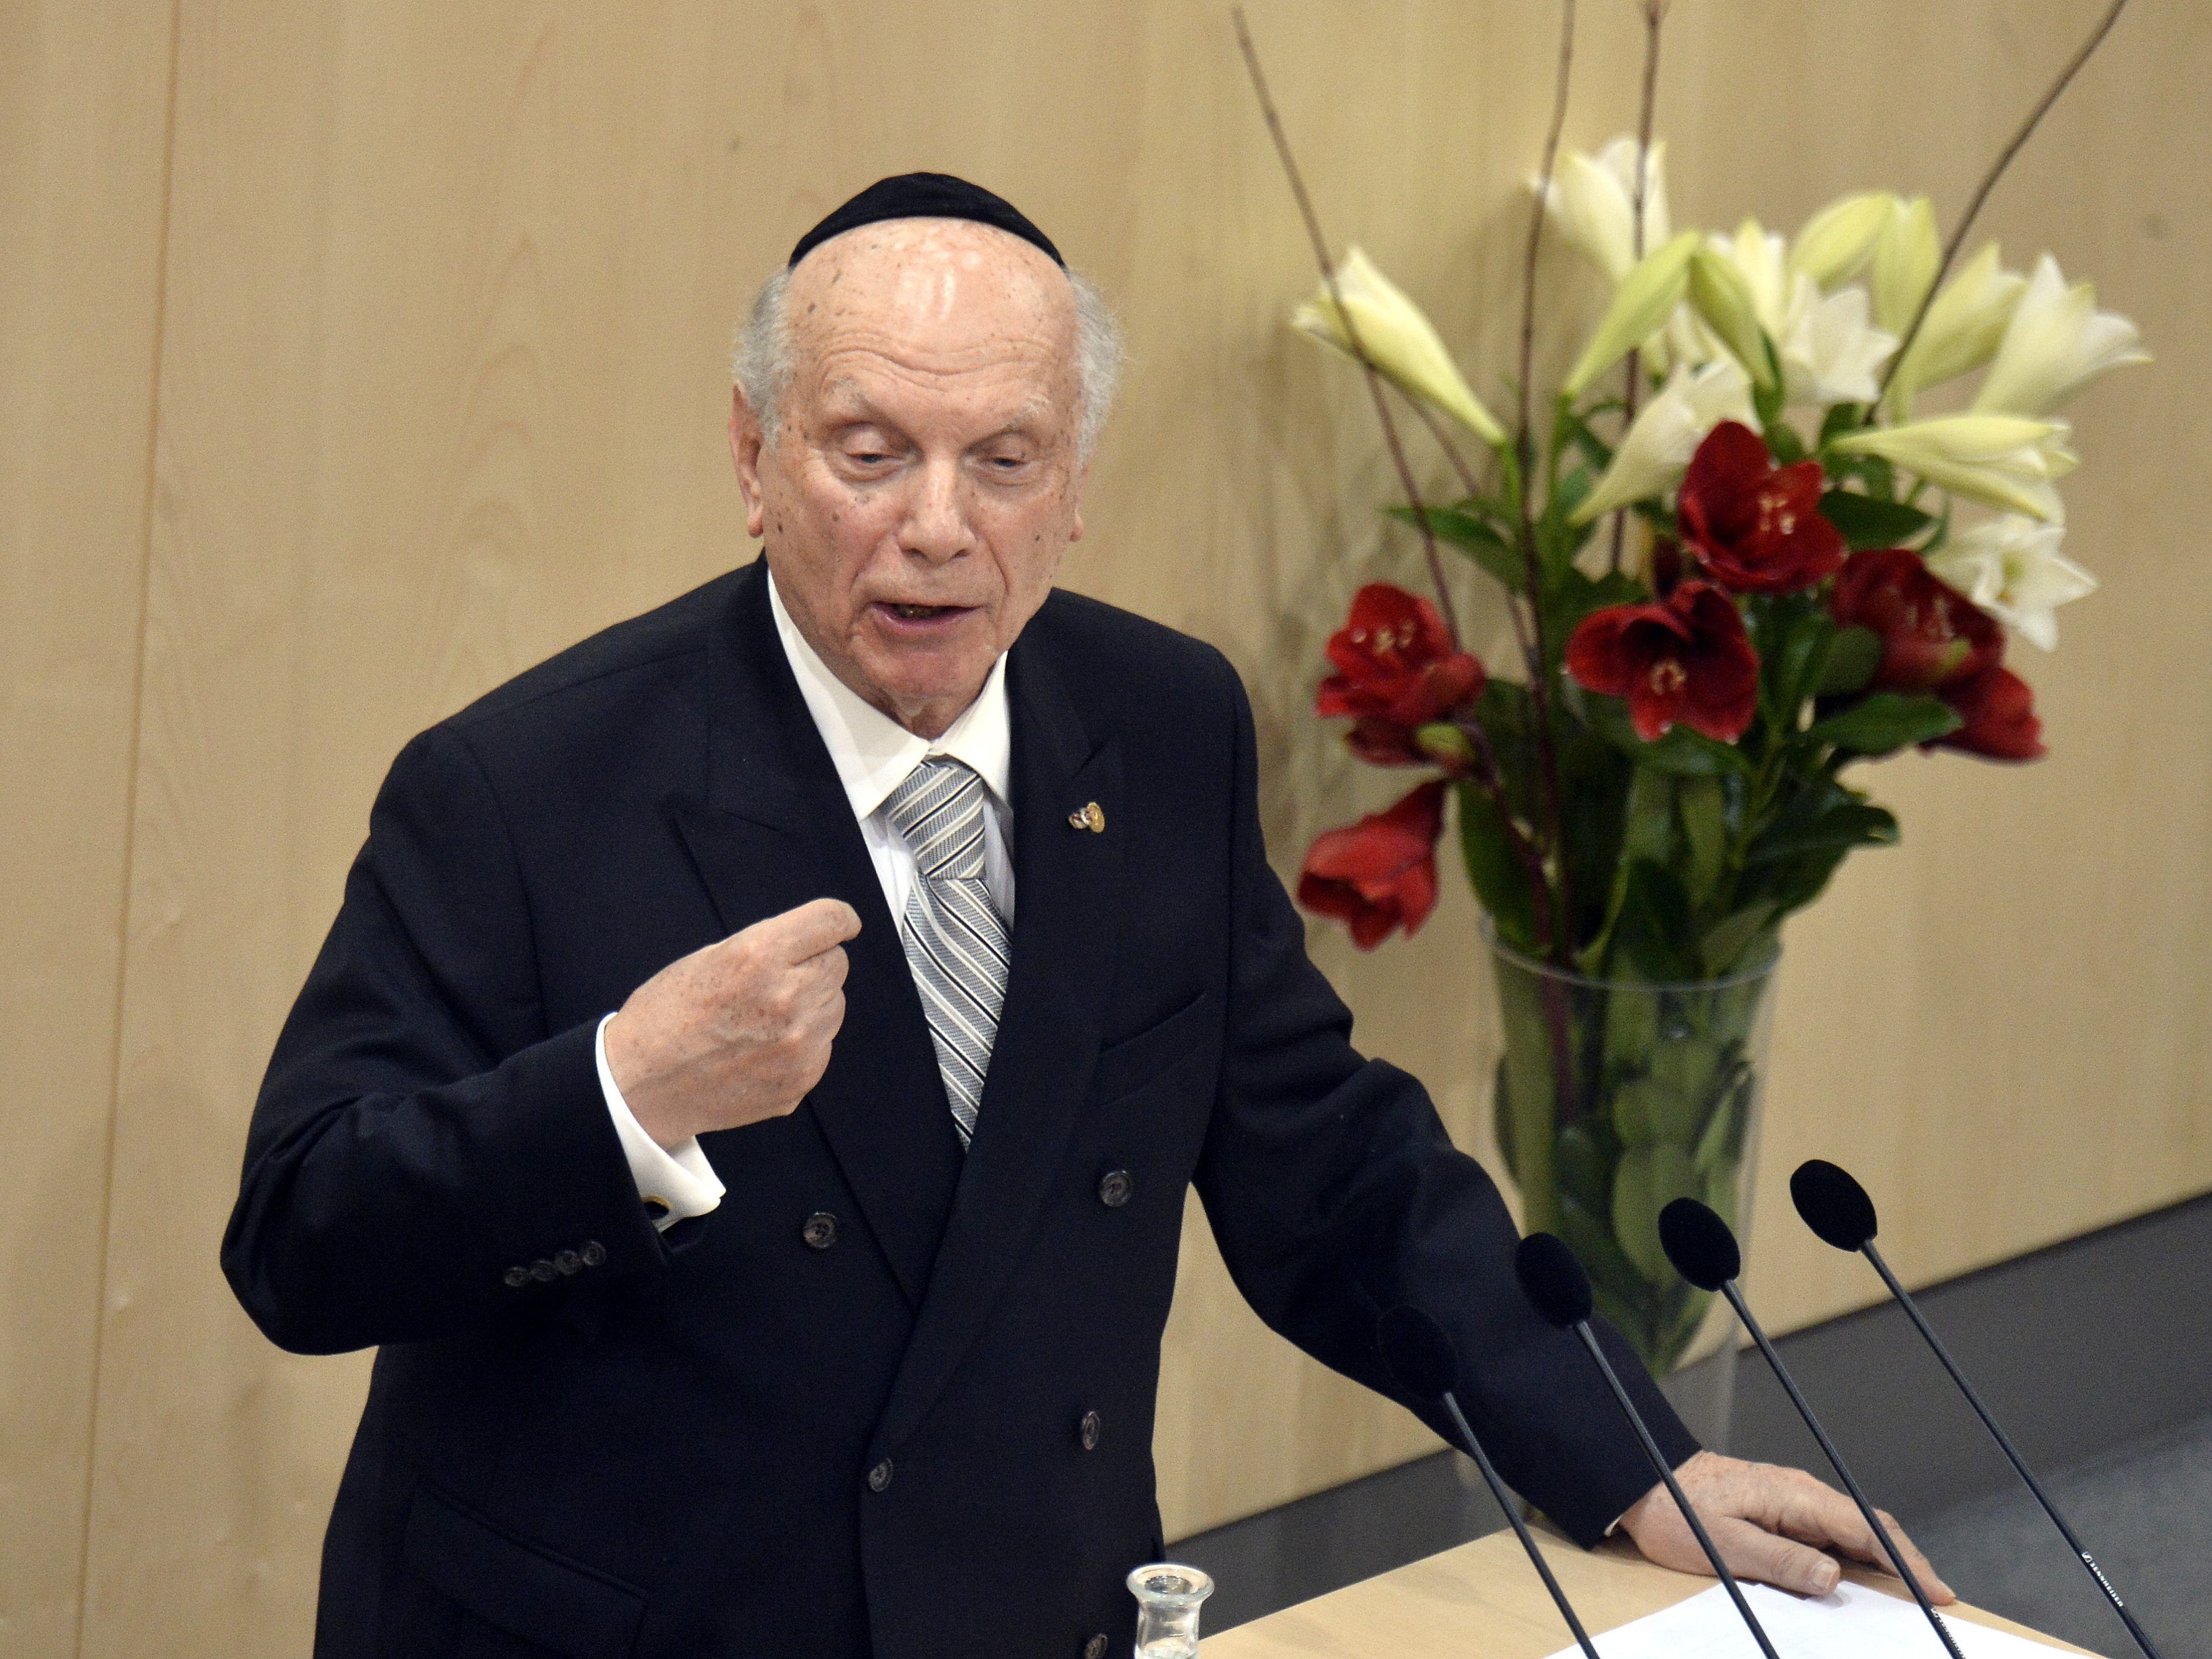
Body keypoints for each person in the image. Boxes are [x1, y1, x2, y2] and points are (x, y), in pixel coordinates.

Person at [222, 174, 1950, 1659]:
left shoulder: (1162, 721)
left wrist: (1625, 1453)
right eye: (867, 451)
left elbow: (1324, 1161)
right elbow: (300, 1236)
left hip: (1022, 1607)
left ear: (1075, 482)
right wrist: (621, 1098)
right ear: (753, 457)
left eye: (1002, 458)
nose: (934, 529)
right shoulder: (524, 782)